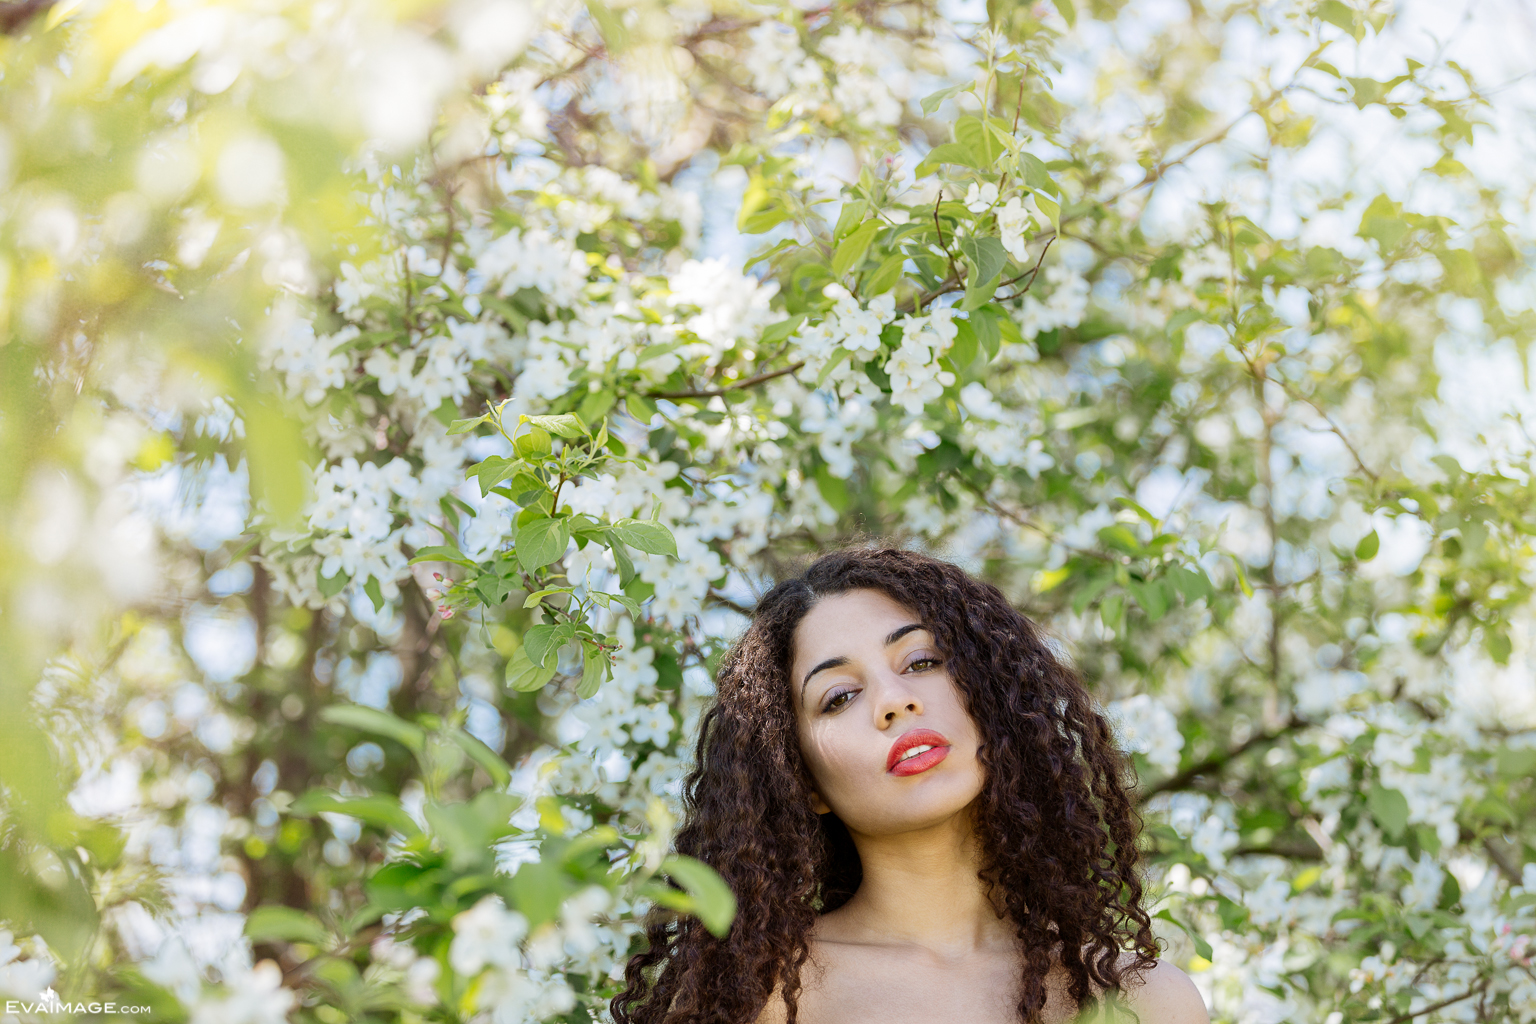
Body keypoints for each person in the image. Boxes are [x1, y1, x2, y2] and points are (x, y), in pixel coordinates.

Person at [612, 548, 1209, 1024]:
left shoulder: (1147, 1002)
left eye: (921, 661)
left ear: (993, 696)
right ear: (803, 783)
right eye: (839, 697)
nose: (895, 702)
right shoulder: (754, 999)